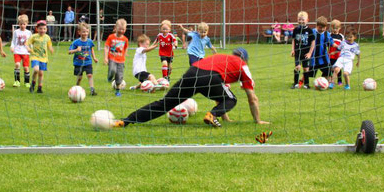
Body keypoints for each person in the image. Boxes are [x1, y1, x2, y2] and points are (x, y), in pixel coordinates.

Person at [113, 48, 270, 128]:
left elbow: (219, 94)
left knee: (165, 103)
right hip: (210, 77)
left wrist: (225, 116)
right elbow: (252, 97)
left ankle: (126, 120)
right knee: (232, 99)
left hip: (192, 72)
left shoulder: (222, 57)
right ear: (246, 60)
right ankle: (211, 115)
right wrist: (258, 120)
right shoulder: (243, 66)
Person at [69, 22, 99, 96]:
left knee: (90, 75)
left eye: (87, 32)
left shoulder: (90, 41)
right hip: (78, 63)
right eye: (83, 32)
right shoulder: (76, 42)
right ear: (79, 32)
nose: (85, 33)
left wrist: (94, 57)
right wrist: (76, 50)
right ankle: (76, 88)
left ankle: (92, 89)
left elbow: (91, 49)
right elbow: (69, 52)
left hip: (88, 62)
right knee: (79, 77)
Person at [26, 20, 54, 93]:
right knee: (36, 70)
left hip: (44, 58)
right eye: (40, 28)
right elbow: (27, 43)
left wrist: (51, 49)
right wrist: (28, 48)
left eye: (44, 29)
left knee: (41, 73)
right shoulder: (34, 36)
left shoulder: (47, 37)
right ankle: (33, 84)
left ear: (46, 29)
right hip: (35, 56)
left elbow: (49, 45)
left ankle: (39, 87)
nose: (42, 30)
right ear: (37, 29)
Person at [291, 11, 315, 89]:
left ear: (307, 20)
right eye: (299, 19)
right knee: (297, 67)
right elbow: (293, 40)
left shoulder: (310, 31)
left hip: (306, 53)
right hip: (298, 52)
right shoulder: (296, 30)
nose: (301, 21)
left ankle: (306, 84)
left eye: (303, 19)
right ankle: (295, 84)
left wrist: (310, 53)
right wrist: (293, 50)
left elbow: (313, 42)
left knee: (306, 68)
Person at [104, 19, 129, 97]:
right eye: (120, 29)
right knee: (112, 69)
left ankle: (117, 90)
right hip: (112, 58)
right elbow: (106, 47)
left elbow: (125, 48)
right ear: (115, 28)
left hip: (121, 60)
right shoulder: (111, 37)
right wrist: (105, 58)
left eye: (123, 29)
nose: (121, 31)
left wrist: (124, 55)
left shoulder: (125, 39)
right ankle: (110, 76)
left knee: (119, 76)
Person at [10, 14, 32, 88]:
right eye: (21, 24)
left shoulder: (29, 32)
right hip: (17, 52)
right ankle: (17, 81)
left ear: (27, 24)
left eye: (24, 24)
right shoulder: (16, 32)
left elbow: (30, 42)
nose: (22, 25)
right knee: (17, 65)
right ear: (18, 24)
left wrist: (31, 49)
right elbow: (13, 41)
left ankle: (27, 82)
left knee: (26, 68)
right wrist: (12, 47)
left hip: (26, 52)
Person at [328, 19, 344, 86]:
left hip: (338, 55)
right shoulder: (329, 35)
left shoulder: (341, 36)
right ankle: (332, 80)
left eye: (336, 28)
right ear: (331, 27)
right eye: (333, 28)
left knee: (338, 68)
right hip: (331, 55)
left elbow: (343, 45)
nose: (335, 30)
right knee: (331, 68)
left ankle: (339, 80)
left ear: (340, 28)